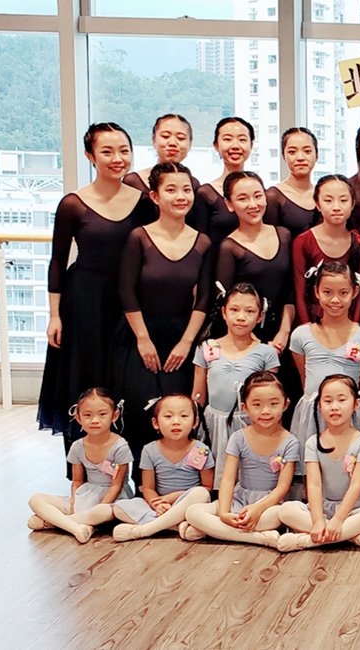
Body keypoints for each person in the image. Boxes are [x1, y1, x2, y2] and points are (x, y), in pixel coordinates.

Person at [38, 122, 153, 463]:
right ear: (90, 156)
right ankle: (82, 469)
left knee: (126, 380)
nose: (117, 158)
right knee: (84, 380)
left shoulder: (144, 201)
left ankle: (128, 468)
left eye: (124, 151)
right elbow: (57, 261)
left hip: (130, 302)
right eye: (107, 151)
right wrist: (55, 315)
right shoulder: (73, 204)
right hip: (84, 302)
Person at [112, 162, 211, 481]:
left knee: (180, 414)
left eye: (186, 190)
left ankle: (182, 486)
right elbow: (126, 291)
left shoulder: (203, 242)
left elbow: (204, 298)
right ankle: (143, 488)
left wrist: (187, 343)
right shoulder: (139, 238)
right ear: (154, 196)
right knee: (141, 412)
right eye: (171, 190)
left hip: (183, 337)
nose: (181, 196)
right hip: (139, 336)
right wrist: (143, 339)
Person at [184, 371, 299, 547]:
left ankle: (214, 530)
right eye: (257, 405)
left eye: (274, 404)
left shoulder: (290, 442)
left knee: (279, 515)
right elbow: (228, 479)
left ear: (285, 404)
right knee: (193, 512)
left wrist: (257, 508)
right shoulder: (238, 437)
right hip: (239, 500)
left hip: (269, 505)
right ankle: (258, 538)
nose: (266, 411)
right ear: (245, 407)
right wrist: (224, 512)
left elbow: (283, 487)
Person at [277, 375, 360, 551]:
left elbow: (356, 485)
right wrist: (318, 520)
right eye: (327, 401)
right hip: (322, 508)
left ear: (356, 404)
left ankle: (305, 540)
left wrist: (339, 519)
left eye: (342, 400)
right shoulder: (313, 442)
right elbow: (314, 485)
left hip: (353, 507)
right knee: (285, 510)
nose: (334, 406)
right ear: (319, 406)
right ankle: (349, 535)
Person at [192, 283, 280, 482]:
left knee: (248, 477)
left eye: (249, 311)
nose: (241, 317)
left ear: (260, 316)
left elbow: (272, 397)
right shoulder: (207, 347)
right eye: (234, 310)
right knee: (216, 479)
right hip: (214, 424)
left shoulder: (266, 353)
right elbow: (198, 394)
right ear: (224, 312)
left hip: (250, 424)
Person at [289, 263, 360, 446]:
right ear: (317, 291)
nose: (335, 300)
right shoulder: (301, 335)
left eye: (343, 293)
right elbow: (305, 381)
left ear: (354, 292)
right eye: (327, 292)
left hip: (347, 414)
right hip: (312, 412)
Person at [28, 388, 134, 543]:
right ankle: (78, 527)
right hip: (87, 494)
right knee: (35, 499)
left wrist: (99, 507)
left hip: (112, 499)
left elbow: (116, 485)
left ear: (114, 415)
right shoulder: (77, 446)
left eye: (102, 414)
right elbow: (77, 481)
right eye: (87, 415)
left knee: (100, 513)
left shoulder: (120, 446)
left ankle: (56, 522)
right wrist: (74, 504)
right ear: (78, 418)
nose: (95, 420)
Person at [112, 394, 214, 541]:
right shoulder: (149, 450)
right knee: (119, 507)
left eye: (184, 416)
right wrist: (156, 504)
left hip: (187, 502)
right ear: (155, 423)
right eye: (168, 416)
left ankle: (145, 530)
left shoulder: (200, 450)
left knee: (200, 494)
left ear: (195, 422)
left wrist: (172, 498)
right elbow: (148, 488)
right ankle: (176, 526)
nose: (176, 422)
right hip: (161, 505)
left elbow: (207, 487)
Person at [215, 171, 293, 352]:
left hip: (284, 333)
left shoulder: (284, 235)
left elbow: (290, 290)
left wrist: (284, 332)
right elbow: (225, 302)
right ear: (229, 204)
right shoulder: (229, 247)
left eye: (258, 196)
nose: (253, 204)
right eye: (242, 199)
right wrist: (254, 343)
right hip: (246, 338)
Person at [292, 175, 360, 324]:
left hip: (348, 320)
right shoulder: (303, 242)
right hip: (313, 321)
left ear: (352, 204)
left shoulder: (358, 242)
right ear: (318, 204)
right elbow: (299, 293)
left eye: (343, 200)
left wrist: (355, 325)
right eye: (328, 200)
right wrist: (307, 328)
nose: (336, 207)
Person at [191, 117, 255, 245]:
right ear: (216, 146)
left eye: (242, 139)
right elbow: (201, 242)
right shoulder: (205, 194)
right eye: (227, 139)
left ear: (251, 145)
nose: (235, 146)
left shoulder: (259, 191)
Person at [123, 114, 199, 195]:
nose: (173, 143)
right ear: (154, 140)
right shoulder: (133, 181)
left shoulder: (194, 185)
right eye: (165, 136)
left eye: (181, 138)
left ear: (190, 144)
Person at [265, 127, 319, 237]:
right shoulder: (273, 196)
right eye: (292, 152)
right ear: (284, 156)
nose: (300, 158)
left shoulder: (323, 194)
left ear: (317, 155)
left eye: (307, 151)